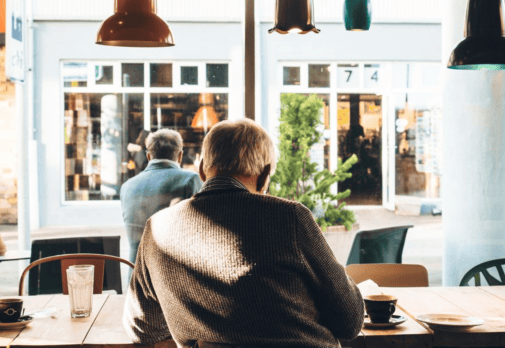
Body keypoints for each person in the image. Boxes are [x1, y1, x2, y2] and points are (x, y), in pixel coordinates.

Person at [123, 119, 364, 348]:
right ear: (265, 174)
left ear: (202, 170)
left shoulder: (157, 228)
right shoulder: (290, 217)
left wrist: (197, 321)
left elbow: (142, 328)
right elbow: (350, 320)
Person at [120, 128, 202, 265]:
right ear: (180, 156)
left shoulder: (127, 186)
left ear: (148, 156)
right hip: (173, 277)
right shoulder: (190, 180)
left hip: (135, 277)